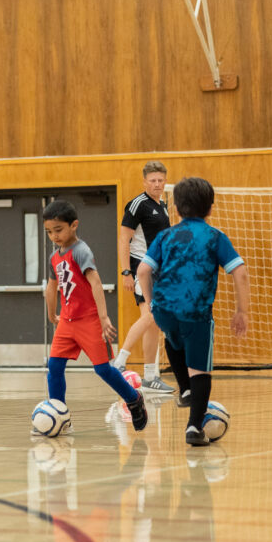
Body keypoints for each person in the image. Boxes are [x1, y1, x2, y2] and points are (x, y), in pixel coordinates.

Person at [136, 177, 250, 447]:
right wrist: (242, 311)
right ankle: (194, 428)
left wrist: (152, 304)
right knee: (200, 369)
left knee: (173, 338)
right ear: (210, 208)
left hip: (164, 309)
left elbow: (143, 270)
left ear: (175, 209)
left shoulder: (165, 235)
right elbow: (240, 272)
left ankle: (184, 388)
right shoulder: (215, 237)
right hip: (196, 312)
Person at [41, 199, 148, 431]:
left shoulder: (81, 251)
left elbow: (96, 282)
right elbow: (51, 287)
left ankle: (133, 399)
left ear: (74, 225)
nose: (54, 236)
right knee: (55, 367)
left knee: (102, 369)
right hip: (67, 322)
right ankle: (60, 413)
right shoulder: (53, 258)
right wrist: (52, 314)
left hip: (89, 320)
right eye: (49, 232)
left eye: (58, 230)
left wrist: (103, 318)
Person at [114, 161, 175, 393]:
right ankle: (119, 362)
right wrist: (126, 272)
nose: (157, 184)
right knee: (150, 316)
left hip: (159, 271)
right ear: (144, 182)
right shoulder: (137, 204)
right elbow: (123, 240)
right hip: (141, 268)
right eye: (153, 180)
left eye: (160, 180)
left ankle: (150, 377)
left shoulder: (163, 206)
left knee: (154, 322)